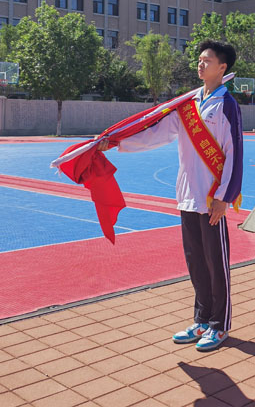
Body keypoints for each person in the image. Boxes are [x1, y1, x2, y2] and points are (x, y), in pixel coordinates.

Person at [100, 40, 243, 352]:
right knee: (195, 261)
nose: (201, 64)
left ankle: (220, 324)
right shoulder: (189, 105)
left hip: (211, 199)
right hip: (187, 194)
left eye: (208, 60)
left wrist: (224, 196)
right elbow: (158, 133)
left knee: (215, 262)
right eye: (200, 60)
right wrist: (119, 143)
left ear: (222, 68)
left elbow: (234, 153)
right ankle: (202, 318)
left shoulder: (226, 105)